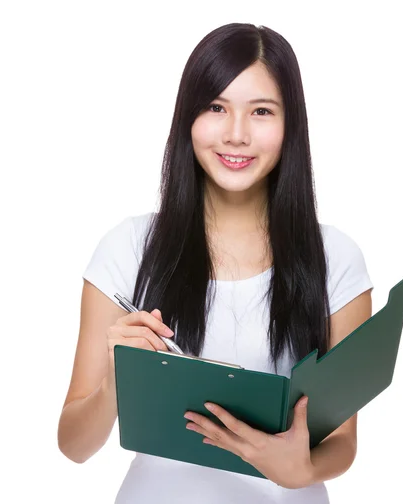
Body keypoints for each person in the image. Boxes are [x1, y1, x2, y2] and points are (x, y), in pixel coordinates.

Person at [57, 22, 374, 504]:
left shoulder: (336, 260)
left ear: (291, 124)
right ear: (189, 117)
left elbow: (344, 441)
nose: (236, 134)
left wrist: (301, 467)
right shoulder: (127, 249)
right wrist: (117, 384)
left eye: (261, 111)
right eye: (216, 108)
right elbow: (74, 445)